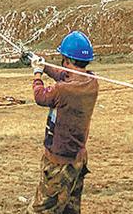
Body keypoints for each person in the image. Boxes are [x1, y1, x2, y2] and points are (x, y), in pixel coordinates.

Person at [22, 31, 98, 214]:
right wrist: (43, 64)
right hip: (77, 158)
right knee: (69, 209)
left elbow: (40, 96)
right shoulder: (92, 81)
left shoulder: (63, 90)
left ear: (67, 59)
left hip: (59, 161)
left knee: (41, 209)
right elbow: (65, 75)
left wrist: (37, 73)